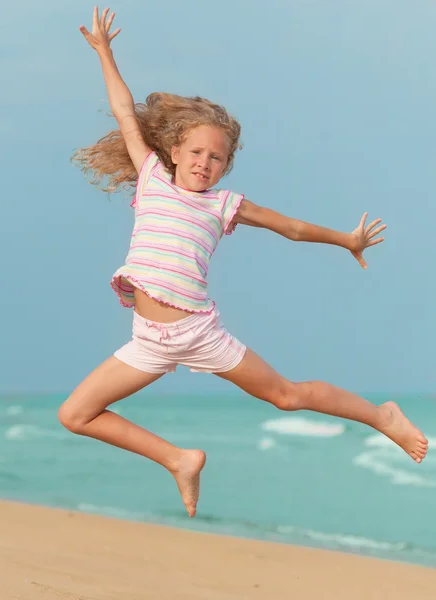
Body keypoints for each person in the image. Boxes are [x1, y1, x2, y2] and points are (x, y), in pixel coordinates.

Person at [58, 7, 428, 518]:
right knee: (75, 414)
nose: (203, 163)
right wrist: (105, 52)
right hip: (148, 338)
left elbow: (291, 228)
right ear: (172, 150)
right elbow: (124, 111)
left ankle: (382, 416)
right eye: (195, 152)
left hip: (200, 331)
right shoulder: (151, 178)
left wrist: (346, 240)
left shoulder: (224, 204)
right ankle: (179, 459)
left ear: (226, 165)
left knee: (287, 396)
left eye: (215, 158)